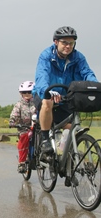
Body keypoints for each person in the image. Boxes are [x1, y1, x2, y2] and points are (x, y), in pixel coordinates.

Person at [33, 26, 98, 155]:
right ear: (56, 42)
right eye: (64, 43)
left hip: (66, 95)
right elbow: (42, 75)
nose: (68, 46)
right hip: (45, 92)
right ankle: (45, 138)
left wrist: (95, 88)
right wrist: (47, 91)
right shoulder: (46, 56)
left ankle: (65, 153)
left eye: (71, 43)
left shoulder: (78, 57)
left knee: (72, 127)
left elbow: (87, 73)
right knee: (48, 103)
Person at [9, 81, 36, 173]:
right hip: (24, 127)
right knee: (24, 138)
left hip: (37, 126)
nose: (27, 94)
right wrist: (13, 121)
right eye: (24, 92)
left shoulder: (37, 103)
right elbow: (14, 114)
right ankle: (22, 163)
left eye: (29, 91)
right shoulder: (19, 104)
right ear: (21, 93)